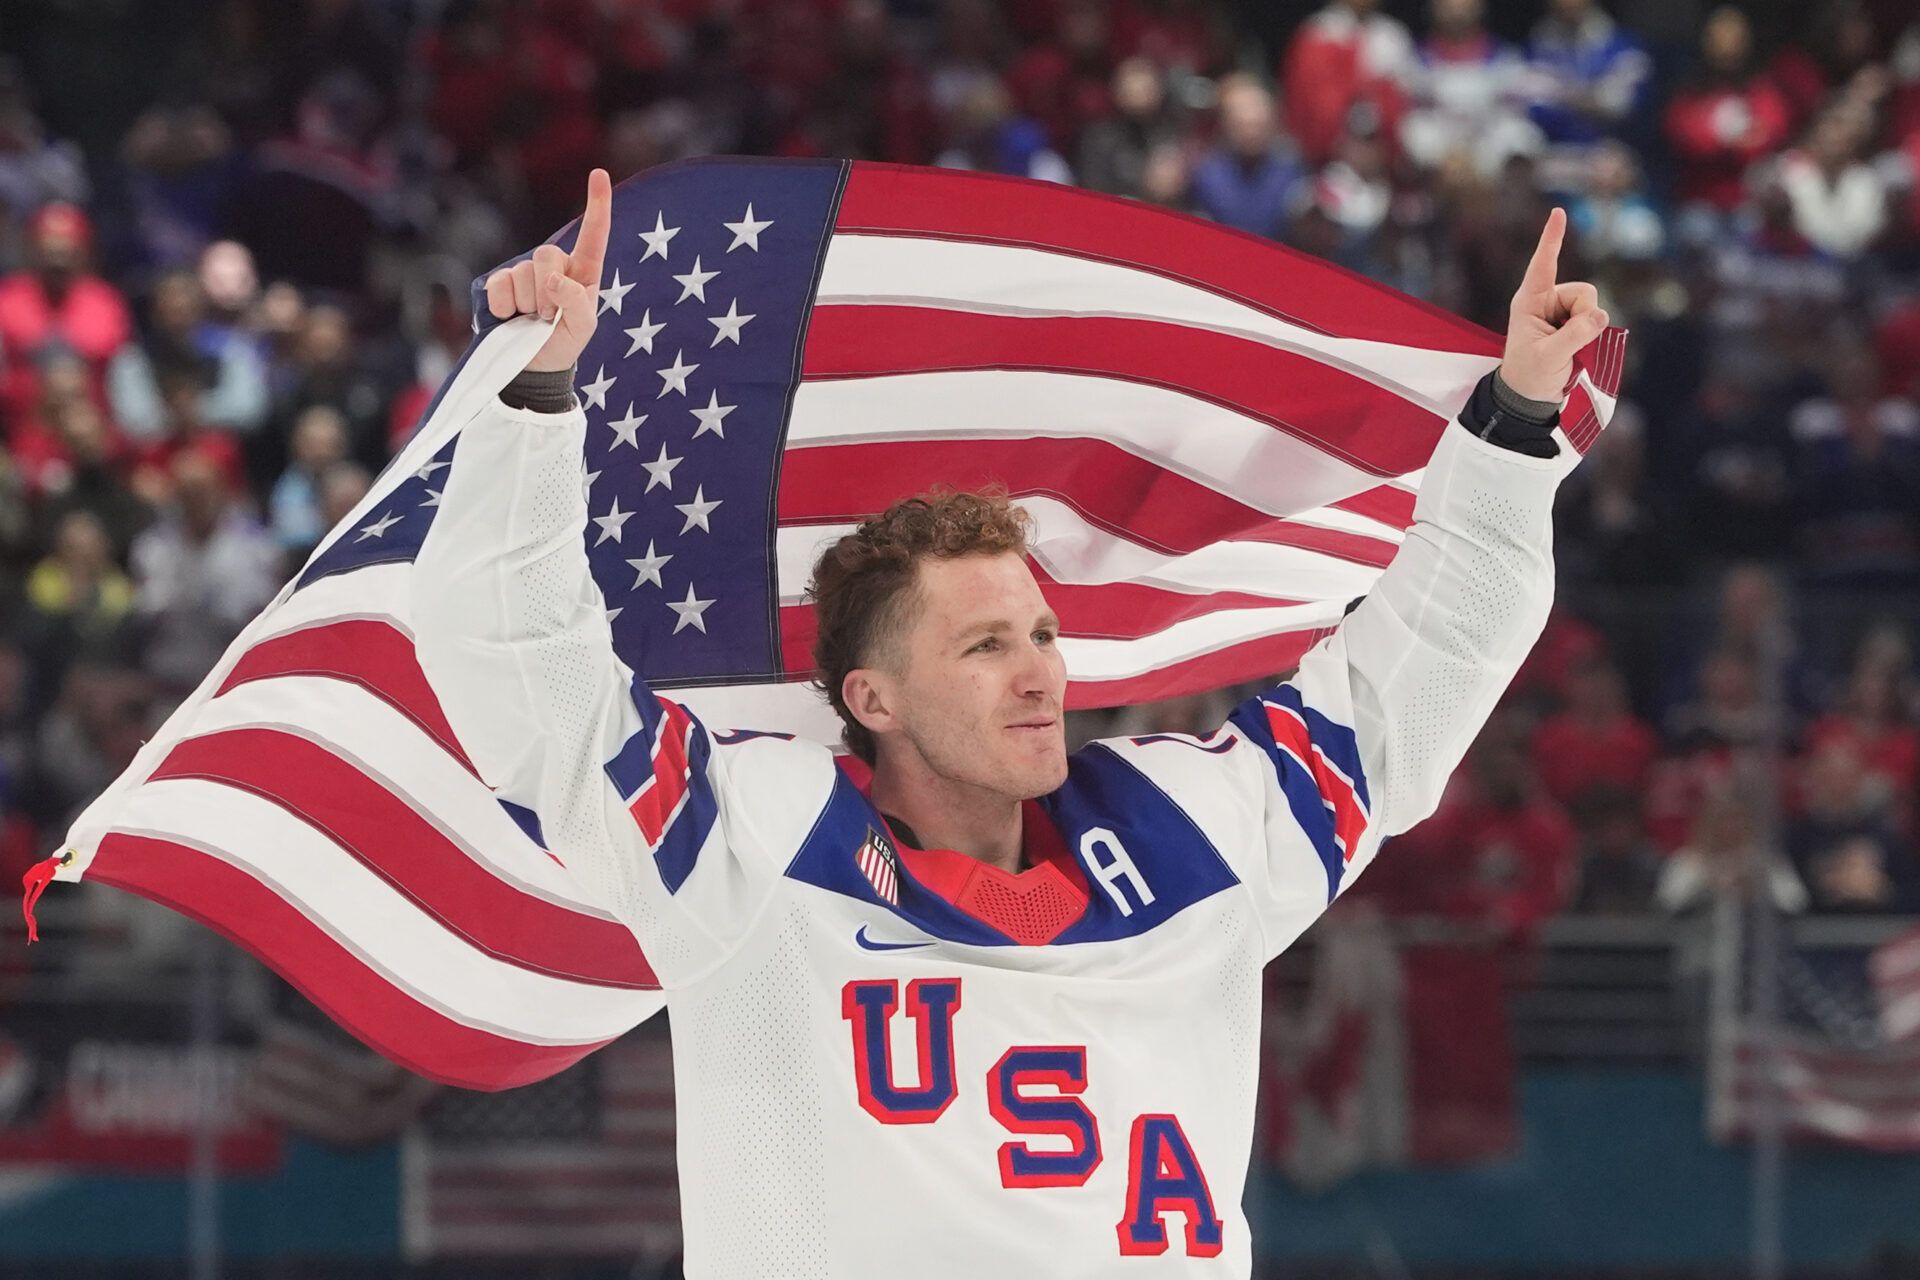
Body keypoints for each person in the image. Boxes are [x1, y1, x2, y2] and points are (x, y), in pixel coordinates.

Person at [411, 169, 1607, 1277]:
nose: (1040, 673)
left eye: (1041, 633)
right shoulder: (753, 842)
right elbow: (522, 670)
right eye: (984, 646)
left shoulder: (1194, 828)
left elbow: (1409, 685)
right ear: (871, 699)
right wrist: (535, 396)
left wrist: (1512, 425)